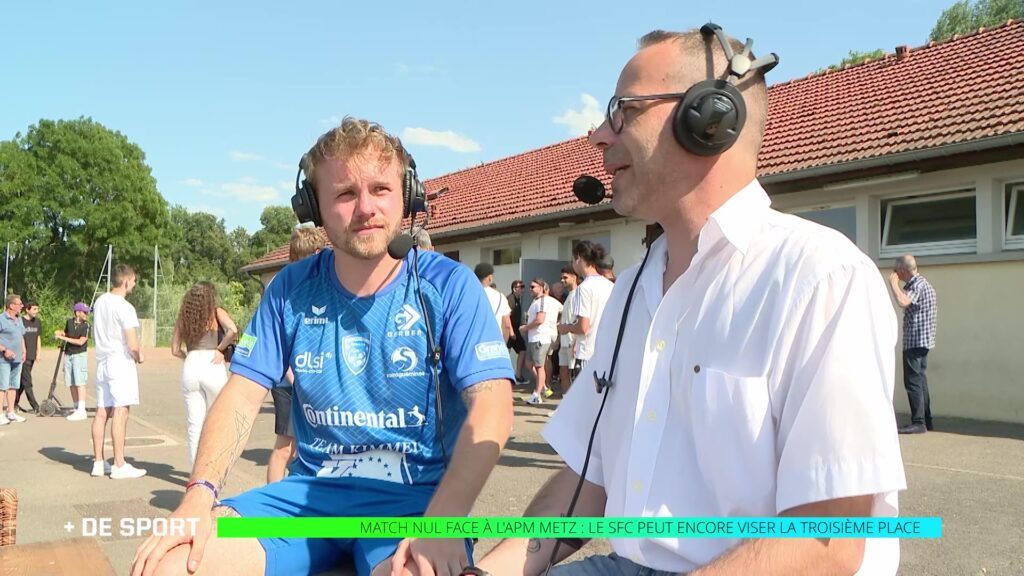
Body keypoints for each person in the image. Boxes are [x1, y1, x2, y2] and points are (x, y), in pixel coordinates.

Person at [478, 25, 905, 575]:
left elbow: (827, 545)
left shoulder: (821, 278)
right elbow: (589, 482)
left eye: (622, 111)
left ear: (708, 119)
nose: (597, 136)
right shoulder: (632, 290)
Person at [132, 117, 514, 576]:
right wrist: (200, 493)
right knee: (171, 565)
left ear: (407, 195)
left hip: (416, 505)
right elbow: (241, 396)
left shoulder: (448, 286)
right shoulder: (290, 289)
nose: (366, 208)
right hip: (305, 503)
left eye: (381, 189)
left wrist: (446, 519)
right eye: (346, 194)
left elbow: (492, 405)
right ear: (314, 205)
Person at [267, 225, 326, 484]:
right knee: (284, 448)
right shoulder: (282, 288)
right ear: (312, 252)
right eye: (319, 253)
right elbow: (277, 345)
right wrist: (296, 380)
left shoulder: (314, 284)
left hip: (308, 380)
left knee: (300, 449)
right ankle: (271, 508)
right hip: (288, 384)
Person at [172, 282, 238, 466]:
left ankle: (195, 470)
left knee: (195, 425)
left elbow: (175, 349)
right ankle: (215, 466)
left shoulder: (183, 318)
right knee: (217, 419)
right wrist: (220, 348)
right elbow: (232, 330)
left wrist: (188, 357)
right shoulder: (216, 312)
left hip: (191, 364)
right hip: (212, 364)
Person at [91, 265, 147, 479]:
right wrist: (139, 355)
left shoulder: (100, 301)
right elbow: (131, 342)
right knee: (121, 411)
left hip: (103, 360)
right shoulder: (125, 307)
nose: (133, 285)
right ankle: (119, 464)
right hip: (119, 361)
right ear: (126, 281)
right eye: (133, 281)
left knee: (102, 411)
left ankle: (98, 461)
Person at [888, 254, 938, 434]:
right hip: (922, 340)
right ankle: (926, 419)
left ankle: (919, 422)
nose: (895, 274)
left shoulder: (917, 285)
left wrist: (893, 284)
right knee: (920, 380)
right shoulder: (921, 283)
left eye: (896, 271)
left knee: (913, 381)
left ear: (902, 270)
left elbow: (903, 301)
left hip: (915, 340)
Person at [566, 241, 615, 376]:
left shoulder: (584, 288)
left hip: (588, 353)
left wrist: (566, 328)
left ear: (578, 258)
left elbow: (583, 327)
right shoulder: (610, 286)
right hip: (607, 352)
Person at [520, 278, 561, 405]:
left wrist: (525, 328)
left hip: (541, 337)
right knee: (529, 363)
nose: (530, 289)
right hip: (536, 337)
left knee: (539, 366)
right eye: (530, 287)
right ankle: (543, 387)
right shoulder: (537, 301)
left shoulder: (543, 301)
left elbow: (540, 319)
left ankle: (537, 394)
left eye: (533, 287)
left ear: (542, 288)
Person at [55, 302, 91, 421]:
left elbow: (81, 341)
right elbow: (67, 333)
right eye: (84, 312)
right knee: (70, 381)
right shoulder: (69, 322)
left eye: (86, 312)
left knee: (80, 381)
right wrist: (61, 333)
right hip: (68, 354)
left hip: (79, 355)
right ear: (77, 312)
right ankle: (76, 406)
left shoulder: (86, 326)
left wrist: (63, 338)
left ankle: (82, 409)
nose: (86, 314)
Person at [0, 294, 26, 425]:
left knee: (13, 386)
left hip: (17, 359)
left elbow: (21, 336)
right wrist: (4, 349)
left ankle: (10, 412)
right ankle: (0, 414)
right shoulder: (1, 319)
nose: (22, 306)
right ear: (11, 305)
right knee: (2, 386)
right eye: (19, 304)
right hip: (3, 359)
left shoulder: (19, 319)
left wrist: (24, 350)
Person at [555, 266, 579, 392]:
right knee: (563, 372)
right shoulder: (569, 296)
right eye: (561, 278)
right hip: (564, 342)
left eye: (565, 277)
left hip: (572, 341)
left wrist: (576, 343)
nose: (562, 280)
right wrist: (558, 340)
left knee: (573, 374)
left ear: (574, 277)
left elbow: (578, 320)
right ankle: (564, 404)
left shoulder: (578, 295)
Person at [475, 262, 513, 344]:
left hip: (474, 341)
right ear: (490, 278)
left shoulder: (467, 294)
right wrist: (504, 345)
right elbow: (506, 325)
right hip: (494, 341)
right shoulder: (499, 296)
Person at [15, 300, 41, 414]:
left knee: (22, 381)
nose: (36, 311)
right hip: (23, 356)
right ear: (27, 309)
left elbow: (38, 337)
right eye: (34, 309)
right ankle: (35, 406)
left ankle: (14, 403)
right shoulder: (20, 321)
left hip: (32, 355)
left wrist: (39, 352)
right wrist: (22, 351)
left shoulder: (37, 322)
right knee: (27, 381)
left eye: (37, 309)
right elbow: (19, 337)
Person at [507, 280, 529, 382]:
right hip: (508, 331)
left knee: (522, 350)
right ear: (515, 289)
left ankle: (518, 376)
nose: (523, 289)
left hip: (515, 331)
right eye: (521, 287)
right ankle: (506, 378)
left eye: (523, 287)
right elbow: (506, 317)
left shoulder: (517, 299)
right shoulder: (510, 299)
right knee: (506, 353)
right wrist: (511, 332)